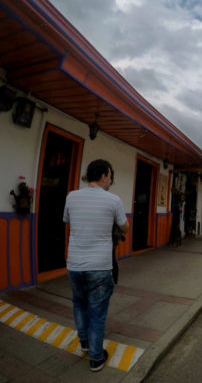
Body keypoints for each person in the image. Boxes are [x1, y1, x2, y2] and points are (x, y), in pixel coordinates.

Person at [63, 159, 129, 372]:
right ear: (103, 176)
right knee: (97, 312)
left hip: (74, 264)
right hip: (100, 266)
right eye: (110, 176)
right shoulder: (113, 200)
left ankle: (84, 343)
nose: (110, 181)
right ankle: (96, 357)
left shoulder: (71, 196)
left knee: (79, 304)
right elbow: (125, 228)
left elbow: (67, 220)